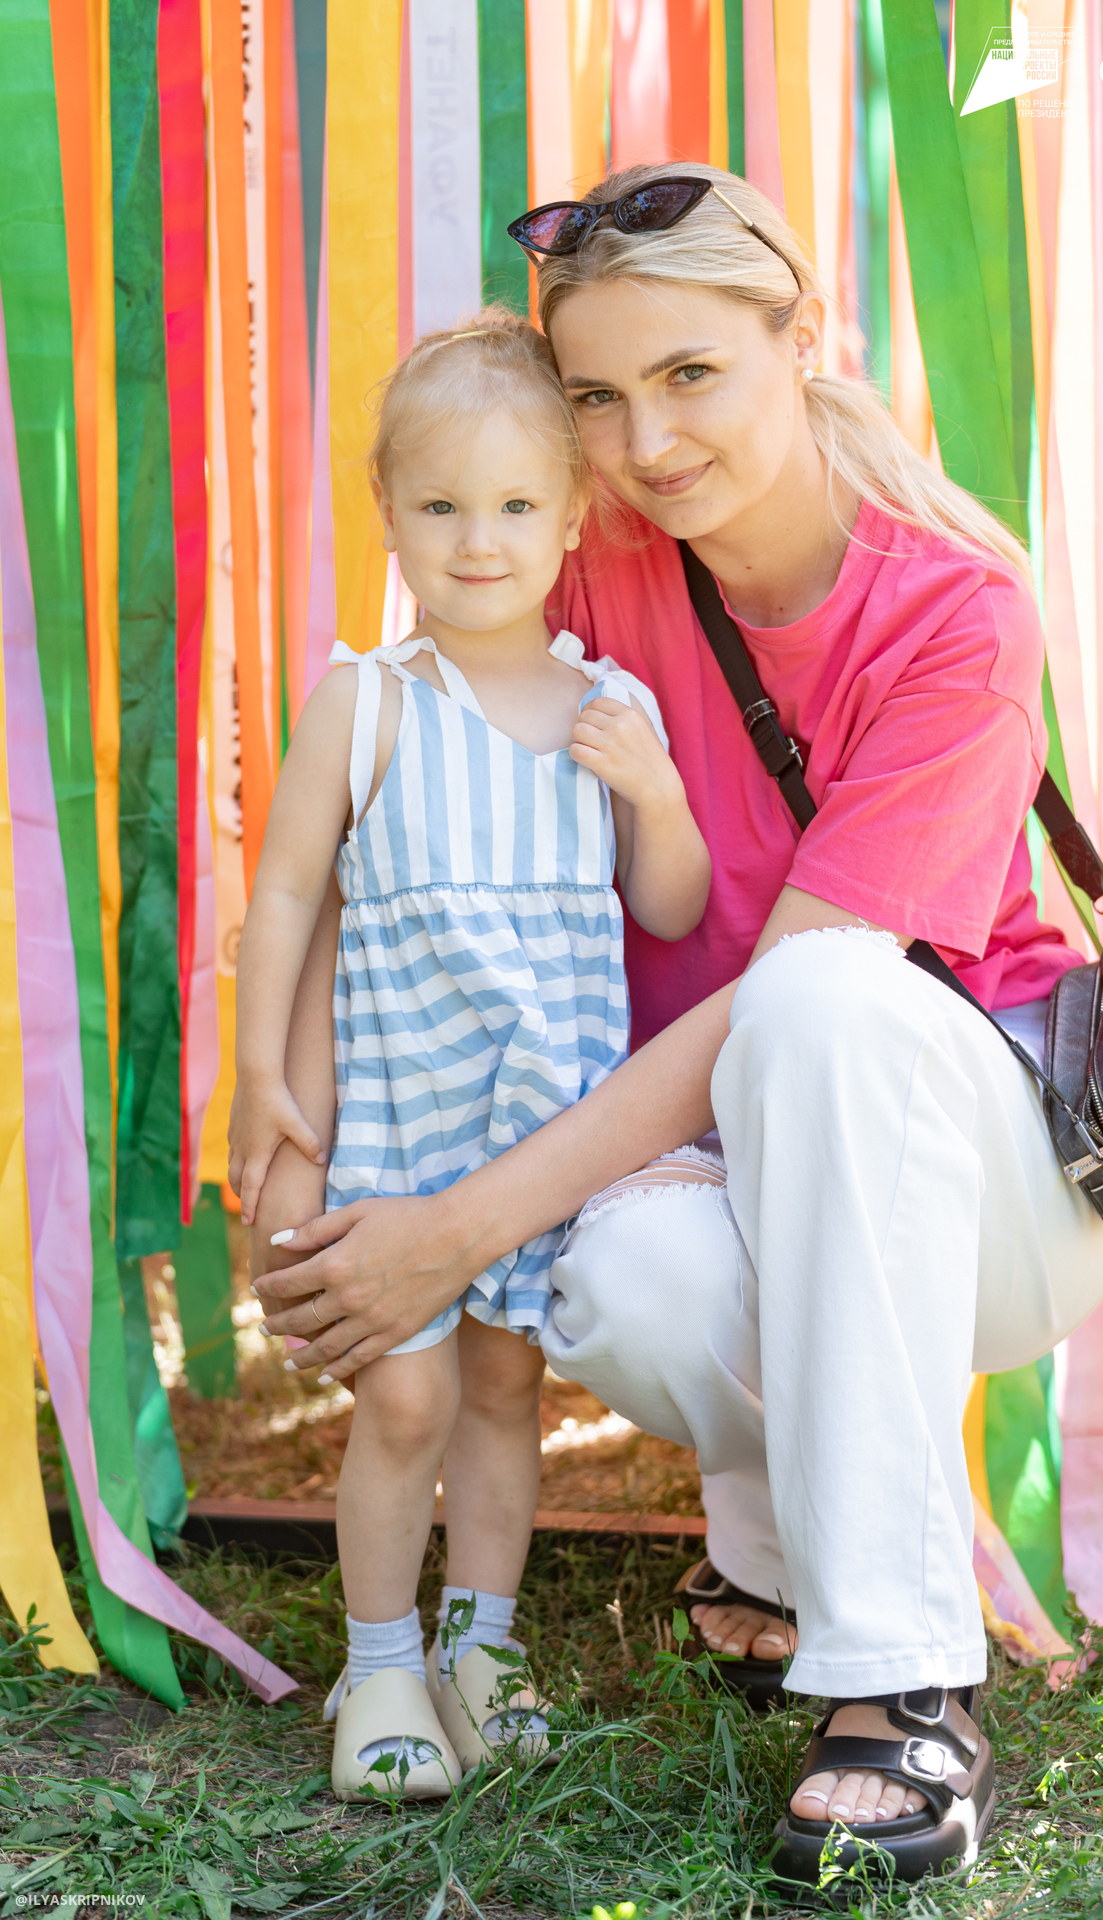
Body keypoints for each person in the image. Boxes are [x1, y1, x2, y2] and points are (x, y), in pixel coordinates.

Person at [250, 166, 1103, 1881]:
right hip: (732, 1156)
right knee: (618, 1276)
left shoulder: (957, 610)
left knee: (815, 997)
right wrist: (300, 1112)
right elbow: (393, 819)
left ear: (803, 337)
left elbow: (778, 1007)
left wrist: (453, 1232)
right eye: (596, 395)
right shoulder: (585, 564)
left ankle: (902, 1680)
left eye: (692, 374)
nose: (644, 442)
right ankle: (780, 1542)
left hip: (984, 1188)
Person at [229, 312, 710, 1802]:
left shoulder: (608, 713)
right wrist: (264, 1083)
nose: (478, 541)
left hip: (539, 1138)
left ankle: (479, 1648)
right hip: (399, 1123)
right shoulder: (366, 701)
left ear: (571, 518)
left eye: (514, 505)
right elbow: (288, 897)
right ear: (389, 511)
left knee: (506, 1397)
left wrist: (660, 799)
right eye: (441, 505)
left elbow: (670, 907)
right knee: (405, 1403)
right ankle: (379, 1664)